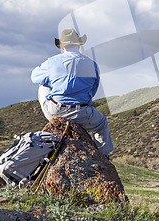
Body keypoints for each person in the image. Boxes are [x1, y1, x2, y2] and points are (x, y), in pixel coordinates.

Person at [31, 28, 113, 157]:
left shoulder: (52, 62)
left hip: (55, 111)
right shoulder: (92, 65)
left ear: (62, 47)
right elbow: (93, 90)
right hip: (83, 114)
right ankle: (103, 156)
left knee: (43, 85)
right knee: (102, 124)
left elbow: (34, 77)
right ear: (79, 45)